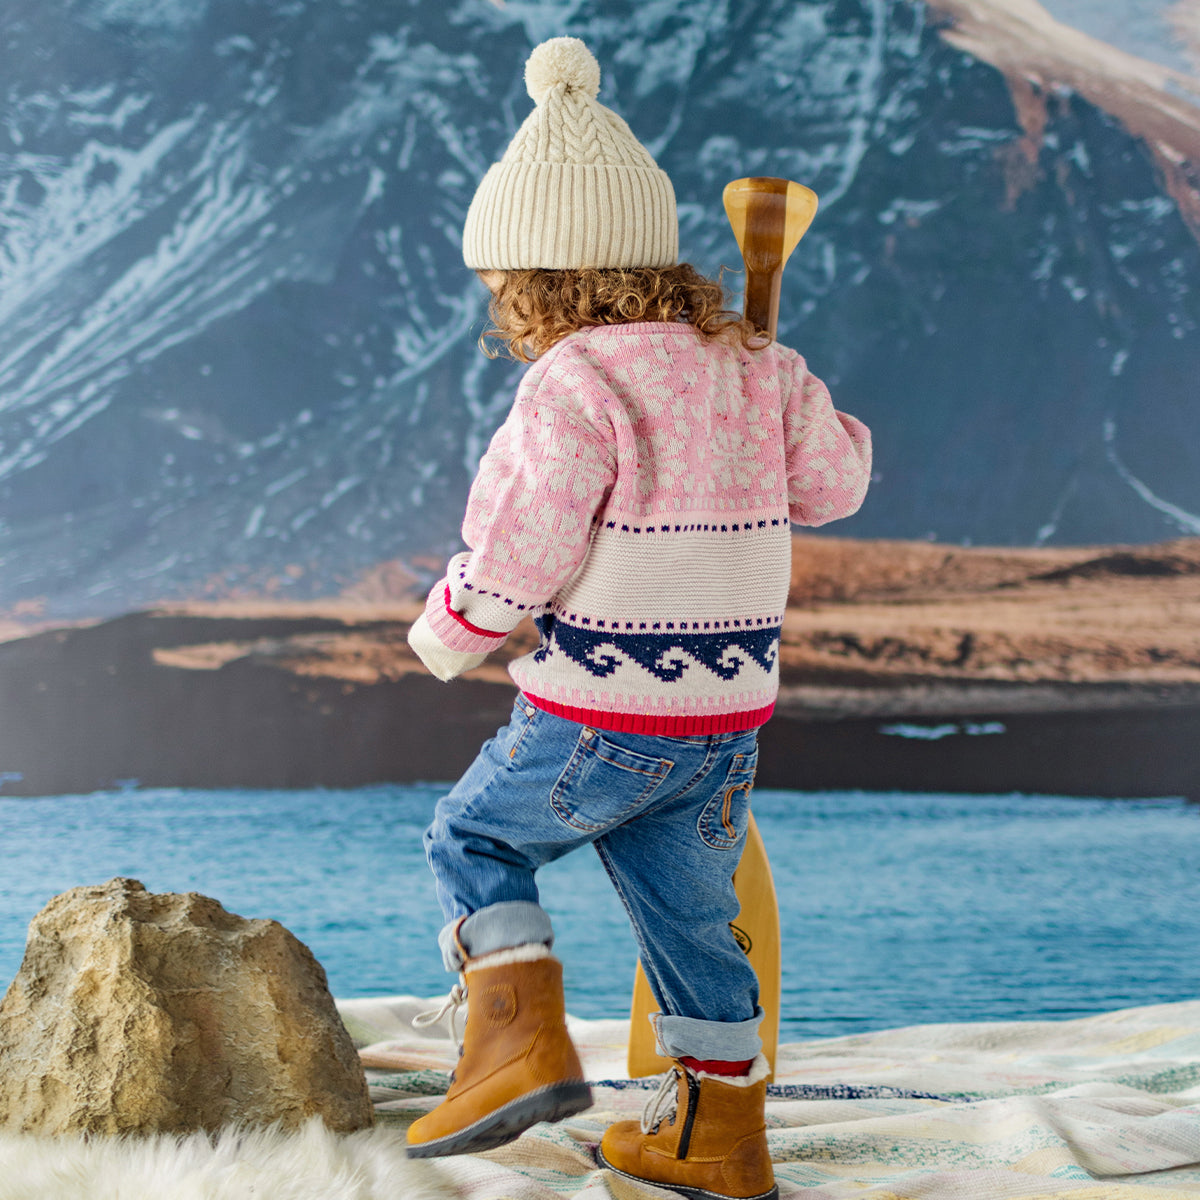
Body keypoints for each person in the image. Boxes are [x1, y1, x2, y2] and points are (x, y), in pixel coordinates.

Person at [404, 35, 871, 1200]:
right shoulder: (755, 362)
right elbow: (836, 486)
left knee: (478, 840)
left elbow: (523, 543)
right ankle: (718, 1140)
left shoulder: (578, 381)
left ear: (537, 277)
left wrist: (448, 632)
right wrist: (787, 382)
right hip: (721, 729)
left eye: (502, 290)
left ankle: (517, 1046)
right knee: (694, 927)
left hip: (599, 711)